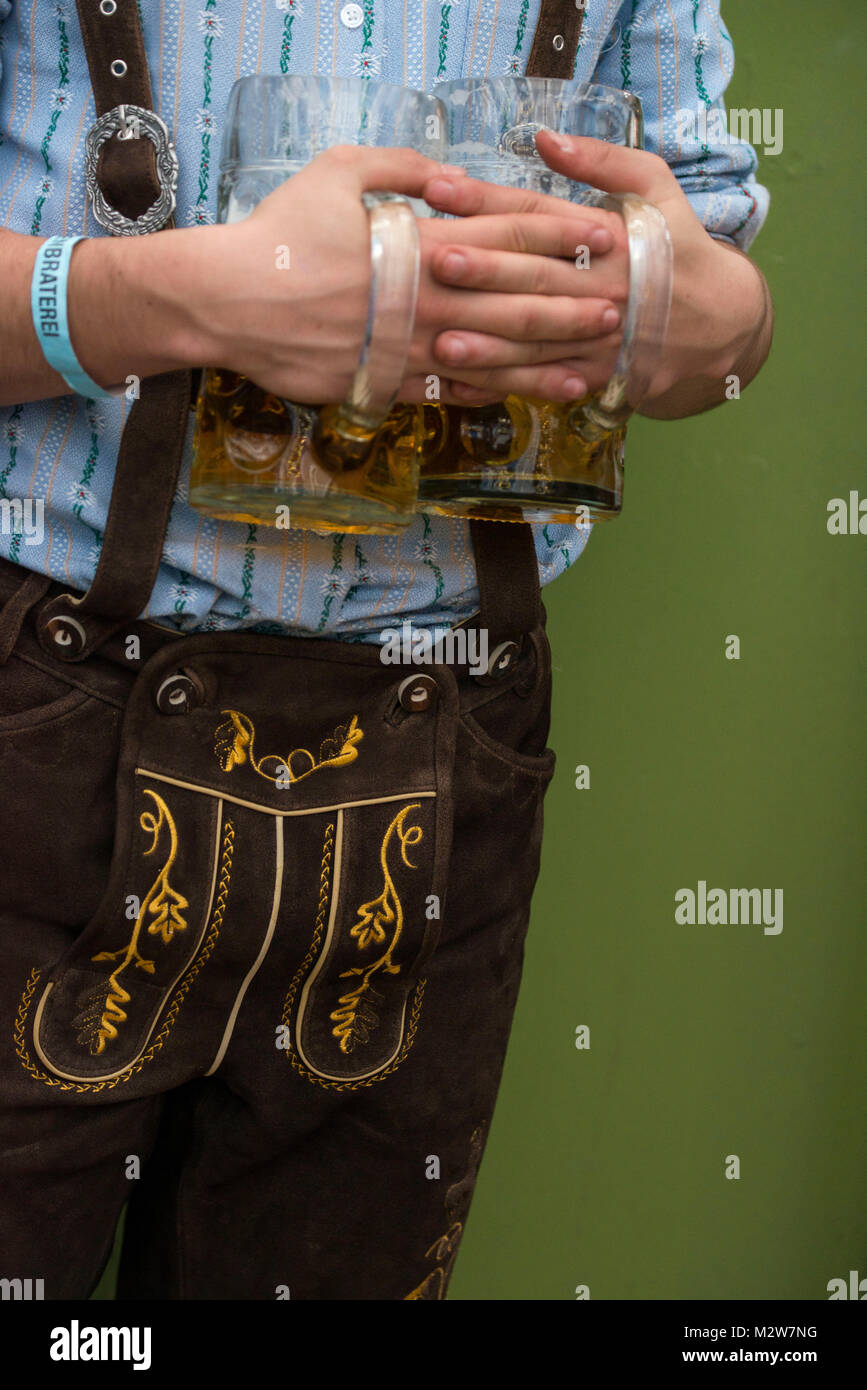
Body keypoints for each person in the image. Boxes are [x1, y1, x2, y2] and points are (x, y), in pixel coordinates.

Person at [0, 0, 771, 1301]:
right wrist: (181, 299)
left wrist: (716, 326)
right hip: (40, 727)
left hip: (449, 751)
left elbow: (728, 319)